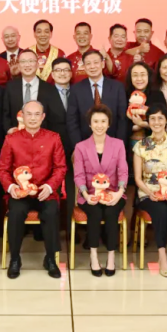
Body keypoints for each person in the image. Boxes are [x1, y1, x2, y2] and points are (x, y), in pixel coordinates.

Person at [0, 100, 67, 279]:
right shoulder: (11, 139)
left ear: (43, 117)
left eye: (37, 114)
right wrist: (11, 187)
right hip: (20, 193)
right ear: (22, 116)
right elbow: (3, 169)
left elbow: (60, 167)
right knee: (15, 213)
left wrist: (50, 186)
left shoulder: (53, 138)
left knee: (51, 212)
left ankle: (50, 258)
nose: (33, 118)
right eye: (29, 114)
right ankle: (15, 259)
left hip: (45, 191)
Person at [133, 103, 167, 277]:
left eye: (160, 118)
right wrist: (150, 193)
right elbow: (138, 178)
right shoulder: (140, 145)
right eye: (152, 118)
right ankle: (162, 256)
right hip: (148, 193)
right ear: (148, 121)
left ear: (166, 121)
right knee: (161, 211)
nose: (156, 122)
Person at [73, 105, 128, 277]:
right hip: (89, 194)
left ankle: (111, 257)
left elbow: (123, 171)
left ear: (109, 124)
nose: (99, 125)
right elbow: (79, 175)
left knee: (111, 213)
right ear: (90, 124)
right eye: (95, 121)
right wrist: (86, 194)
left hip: (114, 192)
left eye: (103, 121)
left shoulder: (118, 144)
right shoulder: (81, 147)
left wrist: (119, 192)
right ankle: (94, 256)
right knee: (95, 213)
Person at [67, 49, 128, 146]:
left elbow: (122, 119)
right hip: (85, 144)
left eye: (96, 62)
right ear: (84, 67)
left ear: (103, 64)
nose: (92, 66)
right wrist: (79, 146)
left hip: (113, 143)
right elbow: (72, 121)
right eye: (88, 63)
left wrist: (118, 144)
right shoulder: (76, 89)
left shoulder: (117, 87)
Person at [2, 49, 62, 138]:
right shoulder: (10, 87)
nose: (27, 65)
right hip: (16, 137)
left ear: (37, 64)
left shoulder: (49, 89)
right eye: (23, 61)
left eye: (31, 61)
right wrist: (9, 129)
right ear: (18, 65)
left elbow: (55, 119)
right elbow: (5, 113)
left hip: (42, 139)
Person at [125, 61, 166, 146]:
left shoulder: (157, 95)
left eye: (143, 75)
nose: (139, 78)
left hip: (154, 142)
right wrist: (134, 127)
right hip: (128, 142)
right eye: (135, 75)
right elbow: (120, 120)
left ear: (148, 76)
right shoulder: (124, 94)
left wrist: (142, 124)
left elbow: (164, 120)